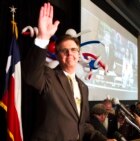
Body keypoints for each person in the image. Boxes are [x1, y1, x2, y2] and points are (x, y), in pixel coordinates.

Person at [24, 2, 115, 141]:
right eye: (64, 50)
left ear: (79, 54)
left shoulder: (83, 88)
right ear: (58, 55)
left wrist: (103, 139)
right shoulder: (48, 76)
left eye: (73, 50)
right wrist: (43, 37)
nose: (69, 53)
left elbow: (83, 125)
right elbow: (30, 75)